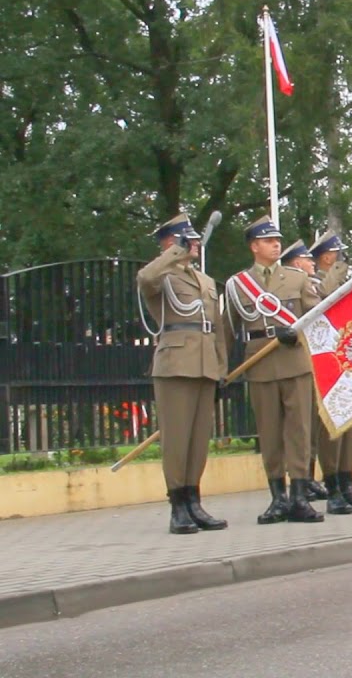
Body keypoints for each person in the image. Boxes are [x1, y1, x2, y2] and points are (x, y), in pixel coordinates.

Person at [224, 216, 323, 524]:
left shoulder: (296, 278)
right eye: (268, 241)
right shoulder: (237, 285)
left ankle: (299, 496)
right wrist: (223, 369)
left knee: (299, 431)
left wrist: (298, 334)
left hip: (294, 361)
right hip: (260, 362)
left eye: (277, 240)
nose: (276, 244)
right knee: (269, 433)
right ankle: (277, 497)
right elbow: (228, 330)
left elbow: (318, 317)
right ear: (254, 246)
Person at [137, 214, 229, 535]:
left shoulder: (203, 281)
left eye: (190, 240)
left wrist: (221, 369)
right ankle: (177, 505)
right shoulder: (161, 276)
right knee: (177, 439)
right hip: (175, 363)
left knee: (198, 440)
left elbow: (216, 328)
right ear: (168, 242)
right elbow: (145, 279)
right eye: (183, 239)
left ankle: (194, 500)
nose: (191, 245)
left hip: (204, 363)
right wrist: (173, 253)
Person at [309, 231, 352, 514]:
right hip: (327, 361)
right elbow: (325, 298)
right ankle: (333, 486)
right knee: (333, 428)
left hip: (348, 358)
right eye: (337, 255)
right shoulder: (314, 282)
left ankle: (348, 483)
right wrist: (338, 271)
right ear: (327, 256)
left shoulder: (344, 282)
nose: (342, 261)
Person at [280, 239, 331, 503]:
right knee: (303, 425)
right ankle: (303, 477)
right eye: (307, 259)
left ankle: (308, 476)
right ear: (297, 263)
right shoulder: (296, 285)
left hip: (313, 361)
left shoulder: (312, 285)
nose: (312, 262)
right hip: (302, 360)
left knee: (310, 425)